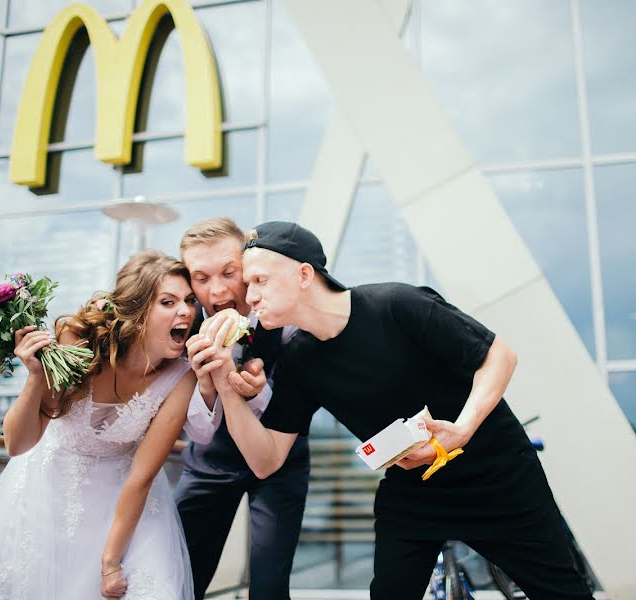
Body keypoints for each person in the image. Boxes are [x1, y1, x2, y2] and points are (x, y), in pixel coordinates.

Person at [196, 221, 594, 600]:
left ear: (304, 274)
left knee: (564, 594)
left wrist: (462, 428)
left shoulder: (396, 304)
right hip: (413, 493)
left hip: (499, 480)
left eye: (260, 281)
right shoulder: (299, 360)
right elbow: (267, 460)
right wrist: (225, 387)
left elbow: (500, 357)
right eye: (248, 285)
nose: (249, 297)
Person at [0, 250, 198, 599]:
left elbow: (141, 475)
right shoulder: (78, 341)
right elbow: (17, 445)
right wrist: (35, 377)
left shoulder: (182, 376)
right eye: (168, 301)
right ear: (137, 310)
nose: (186, 311)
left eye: (189, 301)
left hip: (126, 502)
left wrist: (110, 561)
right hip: (47, 491)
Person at [176, 217, 309, 600]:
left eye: (229, 272)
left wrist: (254, 393)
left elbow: (297, 401)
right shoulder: (182, 328)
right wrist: (205, 385)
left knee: (269, 586)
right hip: (210, 463)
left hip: (281, 465)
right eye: (200, 278)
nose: (217, 290)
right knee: (182, 574)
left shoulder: (285, 321)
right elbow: (196, 430)